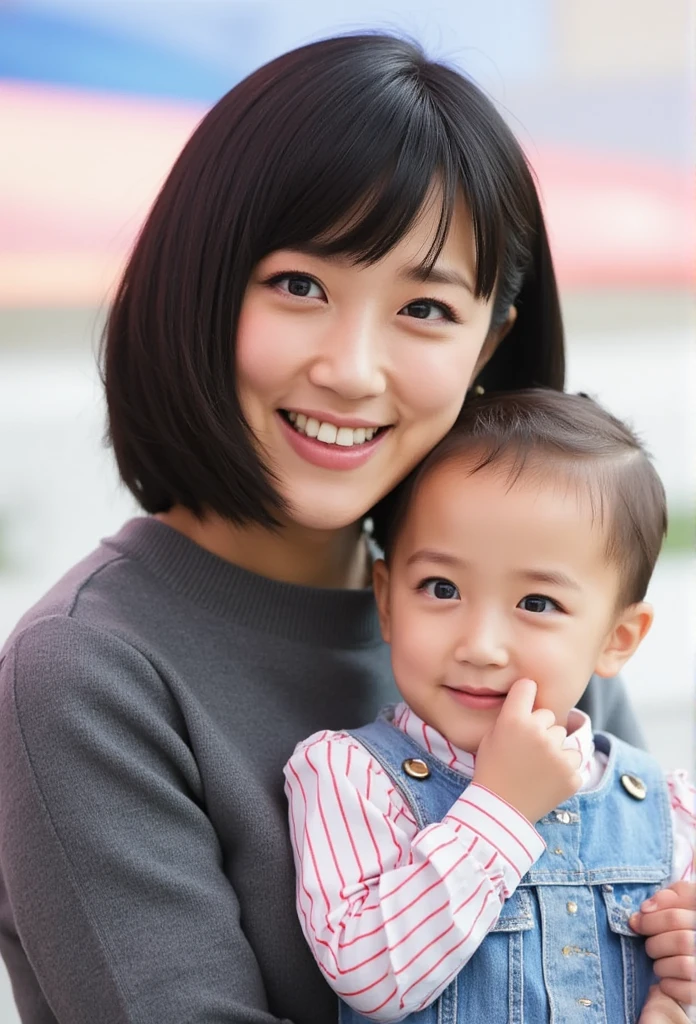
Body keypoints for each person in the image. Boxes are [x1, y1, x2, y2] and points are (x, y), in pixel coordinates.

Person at [0, 33, 656, 1024]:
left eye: (426, 307)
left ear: (494, 337)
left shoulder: (531, 613)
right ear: (203, 283)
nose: (352, 367)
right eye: (300, 285)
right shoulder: (86, 674)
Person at [285, 389, 696, 1024]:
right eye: (441, 588)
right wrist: (499, 809)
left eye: (536, 603)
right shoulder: (351, 776)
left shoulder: (666, 812)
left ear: (617, 639)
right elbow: (370, 976)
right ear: (388, 601)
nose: (479, 646)